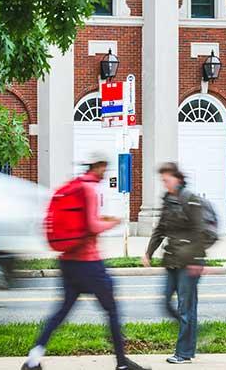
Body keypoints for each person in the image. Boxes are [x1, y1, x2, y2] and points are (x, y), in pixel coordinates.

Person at [23, 153, 148, 370]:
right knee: (112, 310)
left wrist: (103, 220)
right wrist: (114, 223)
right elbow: (92, 226)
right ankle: (121, 363)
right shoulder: (90, 189)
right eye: (104, 168)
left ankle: (33, 360)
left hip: (68, 261)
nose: (105, 172)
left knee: (61, 312)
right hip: (88, 263)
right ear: (97, 167)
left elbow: (84, 221)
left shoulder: (74, 186)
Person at [142, 162, 209, 365]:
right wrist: (148, 253)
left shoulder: (190, 200)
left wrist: (197, 258)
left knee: (185, 308)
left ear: (177, 179)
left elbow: (202, 232)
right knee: (166, 303)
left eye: (167, 179)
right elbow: (160, 229)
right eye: (163, 180)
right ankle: (191, 334)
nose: (165, 183)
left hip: (189, 262)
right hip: (172, 260)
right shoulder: (168, 200)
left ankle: (184, 353)